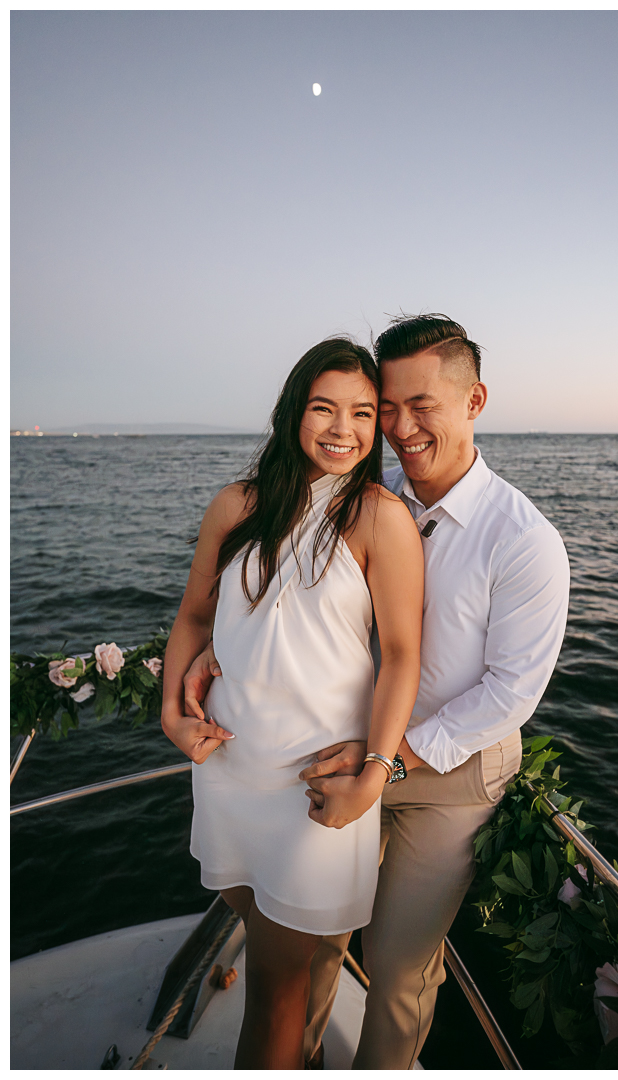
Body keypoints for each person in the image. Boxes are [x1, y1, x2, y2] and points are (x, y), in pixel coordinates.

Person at [185, 314, 571, 1070]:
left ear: (474, 401)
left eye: (419, 406)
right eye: (384, 407)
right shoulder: (367, 494)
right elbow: (299, 603)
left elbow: (509, 694)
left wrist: (386, 763)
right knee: (315, 939)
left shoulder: (523, 541)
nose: (397, 427)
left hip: (446, 773)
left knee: (395, 966)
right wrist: (209, 651)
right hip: (346, 745)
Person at [161, 337, 424, 1070]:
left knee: (278, 989)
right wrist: (170, 712)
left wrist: (373, 773)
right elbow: (193, 618)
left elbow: (402, 654)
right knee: (267, 945)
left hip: (316, 788)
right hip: (229, 768)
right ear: (292, 412)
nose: (343, 429)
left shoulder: (378, 517)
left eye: (363, 414)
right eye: (324, 408)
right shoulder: (236, 505)